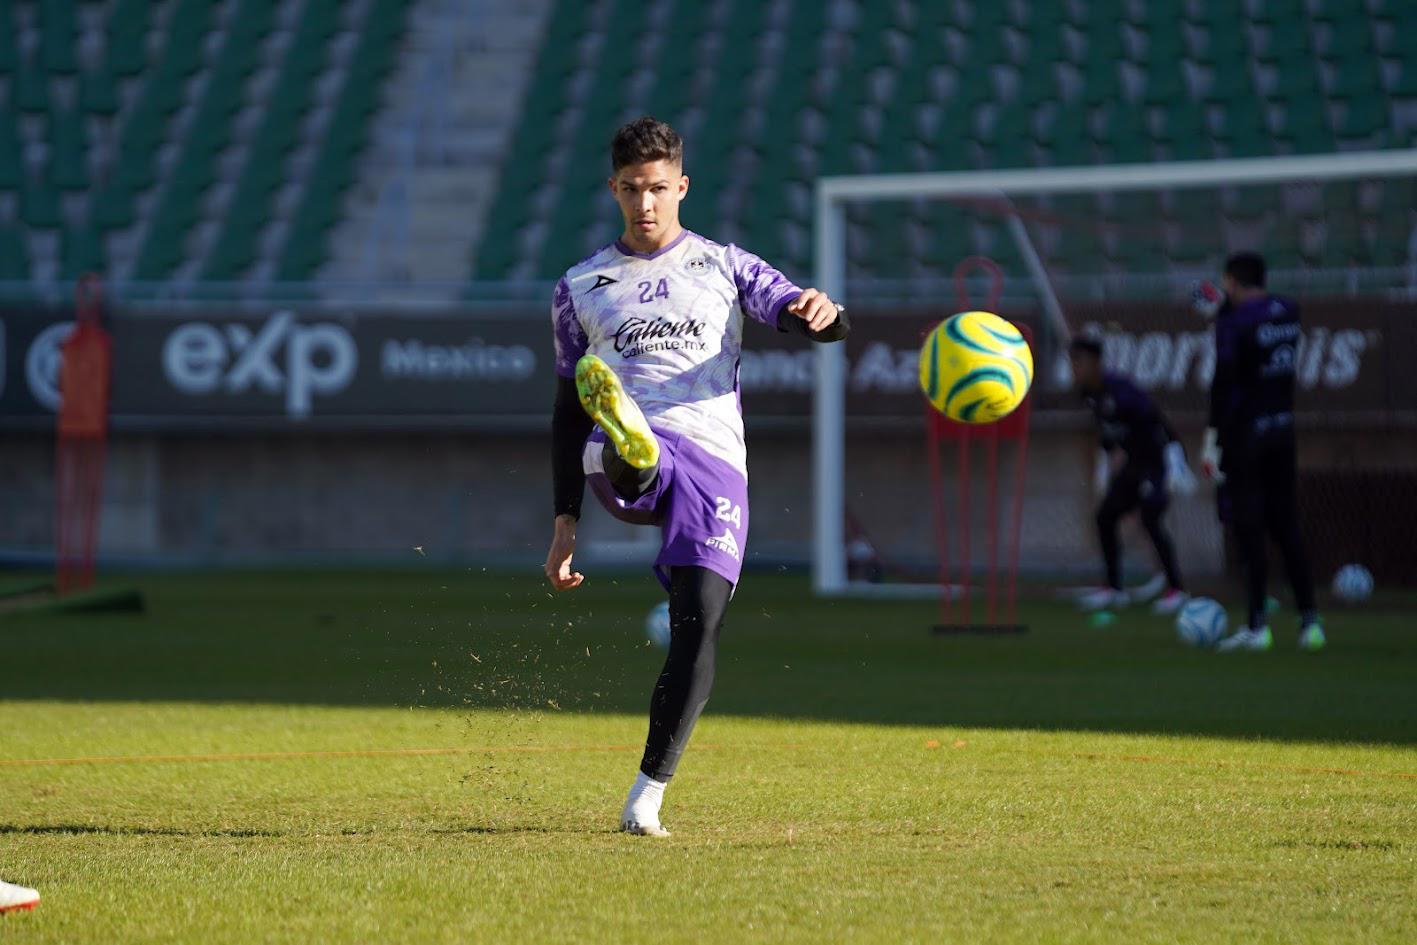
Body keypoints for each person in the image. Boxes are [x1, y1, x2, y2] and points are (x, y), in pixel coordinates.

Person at [543, 117, 848, 836]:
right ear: (612, 189)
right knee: (627, 447)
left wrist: (824, 314)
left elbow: (811, 323)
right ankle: (632, 445)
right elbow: (562, 413)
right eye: (629, 190)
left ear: (680, 186)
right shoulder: (580, 286)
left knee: (698, 622)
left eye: (656, 189)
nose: (643, 204)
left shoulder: (724, 265)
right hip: (620, 455)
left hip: (714, 463)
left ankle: (646, 794)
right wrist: (563, 525)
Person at [1201, 252, 1324, 652]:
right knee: (1287, 526)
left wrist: (1212, 438)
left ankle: (1257, 626)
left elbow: (1224, 380)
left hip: (1246, 435)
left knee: (1249, 529)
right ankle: (1310, 623)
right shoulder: (1288, 309)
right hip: (1282, 432)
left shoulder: (1235, 323)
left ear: (1232, 282)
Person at [1069, 335, 1195, 615]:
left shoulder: (1122, 390)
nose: (1075, 369)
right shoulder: (1088, 394)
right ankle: (1114, 589)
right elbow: (1108, 431)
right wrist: (1105, 463)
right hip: (1134, 465)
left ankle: (1178, 589)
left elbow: (1157, 421)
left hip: (1157, 462)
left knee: (1151, 516)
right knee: (1105, 517)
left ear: (1095, 363)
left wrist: (1175, 461)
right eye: (1072, 362)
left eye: (1079, 362)